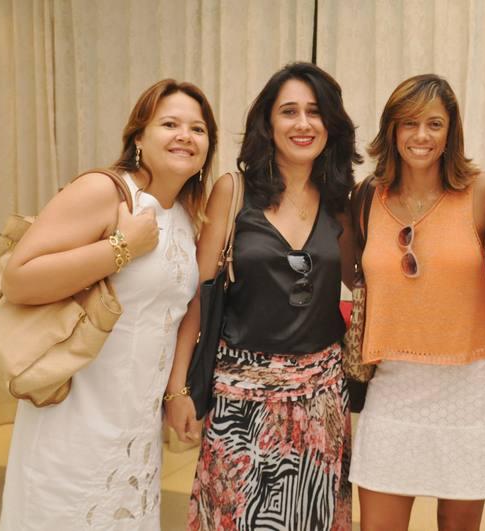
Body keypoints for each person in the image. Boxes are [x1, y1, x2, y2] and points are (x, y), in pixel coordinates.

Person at [0, 79, 215, 529]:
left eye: (197, 129)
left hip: (134, 429)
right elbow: (18, 279)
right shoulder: (104, 190)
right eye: (170, 124)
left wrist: (176, 392)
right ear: (139, 137)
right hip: (73, 419)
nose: (185, 136)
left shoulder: (184, 215)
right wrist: (122, 247)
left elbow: (181, 313)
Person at [164, 62, 361, 530]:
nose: (303, 123)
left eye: (315, 112)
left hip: (321, 401)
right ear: (268, 123)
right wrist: (178, 389)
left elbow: (363, 280)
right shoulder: (233, 192)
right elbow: (197, 299)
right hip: (240, 401)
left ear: (331, 124)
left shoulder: (339, 202)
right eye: (289, 111)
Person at [349, 74, 485, 531]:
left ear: (451, 131)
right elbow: (355, 276)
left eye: (434, 124)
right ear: (392, 130)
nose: (422, 136)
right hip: (393, 381)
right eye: (409, 123)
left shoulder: (482, 191)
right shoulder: (366, 196)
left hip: (470, 384)